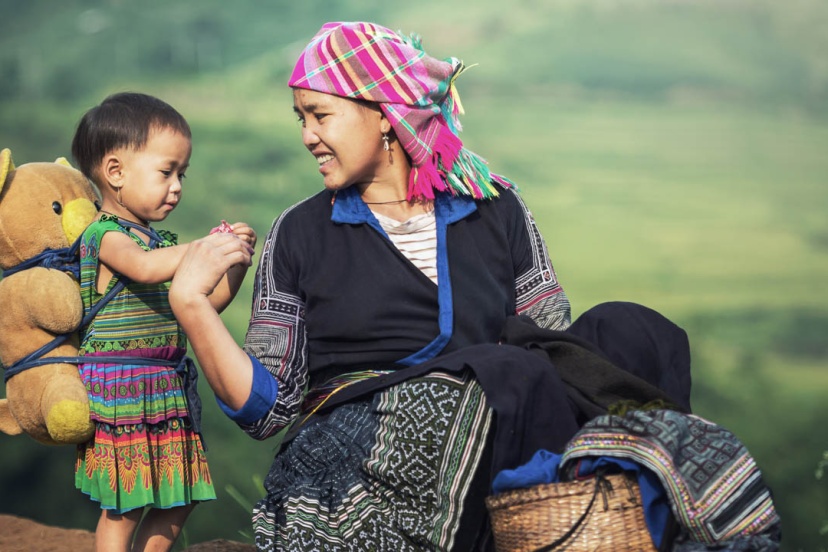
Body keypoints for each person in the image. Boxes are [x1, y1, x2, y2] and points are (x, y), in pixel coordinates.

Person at [168, 22, 692, 550]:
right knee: (507, 370)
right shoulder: (301, 233)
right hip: (358, 450)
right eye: (301, 118)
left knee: (630, 330)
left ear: (385, 114)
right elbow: (269, 410)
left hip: (501, 414)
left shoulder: (495, 208)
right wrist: (192, 305)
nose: (307, 135)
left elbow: (553, 348)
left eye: (320, 115)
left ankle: (626, 510)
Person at [70, 92, 257, 552]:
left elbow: (203, 305)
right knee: (125, 504)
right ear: (115, 173)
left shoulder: (160, 241)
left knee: (182, 492)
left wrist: (234, 264)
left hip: (164, 383)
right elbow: (145, 268)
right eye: (166, 172)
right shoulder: (106, 236)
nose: (177, 186)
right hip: (124, 385)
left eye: (181, 174)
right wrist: (206, 248)